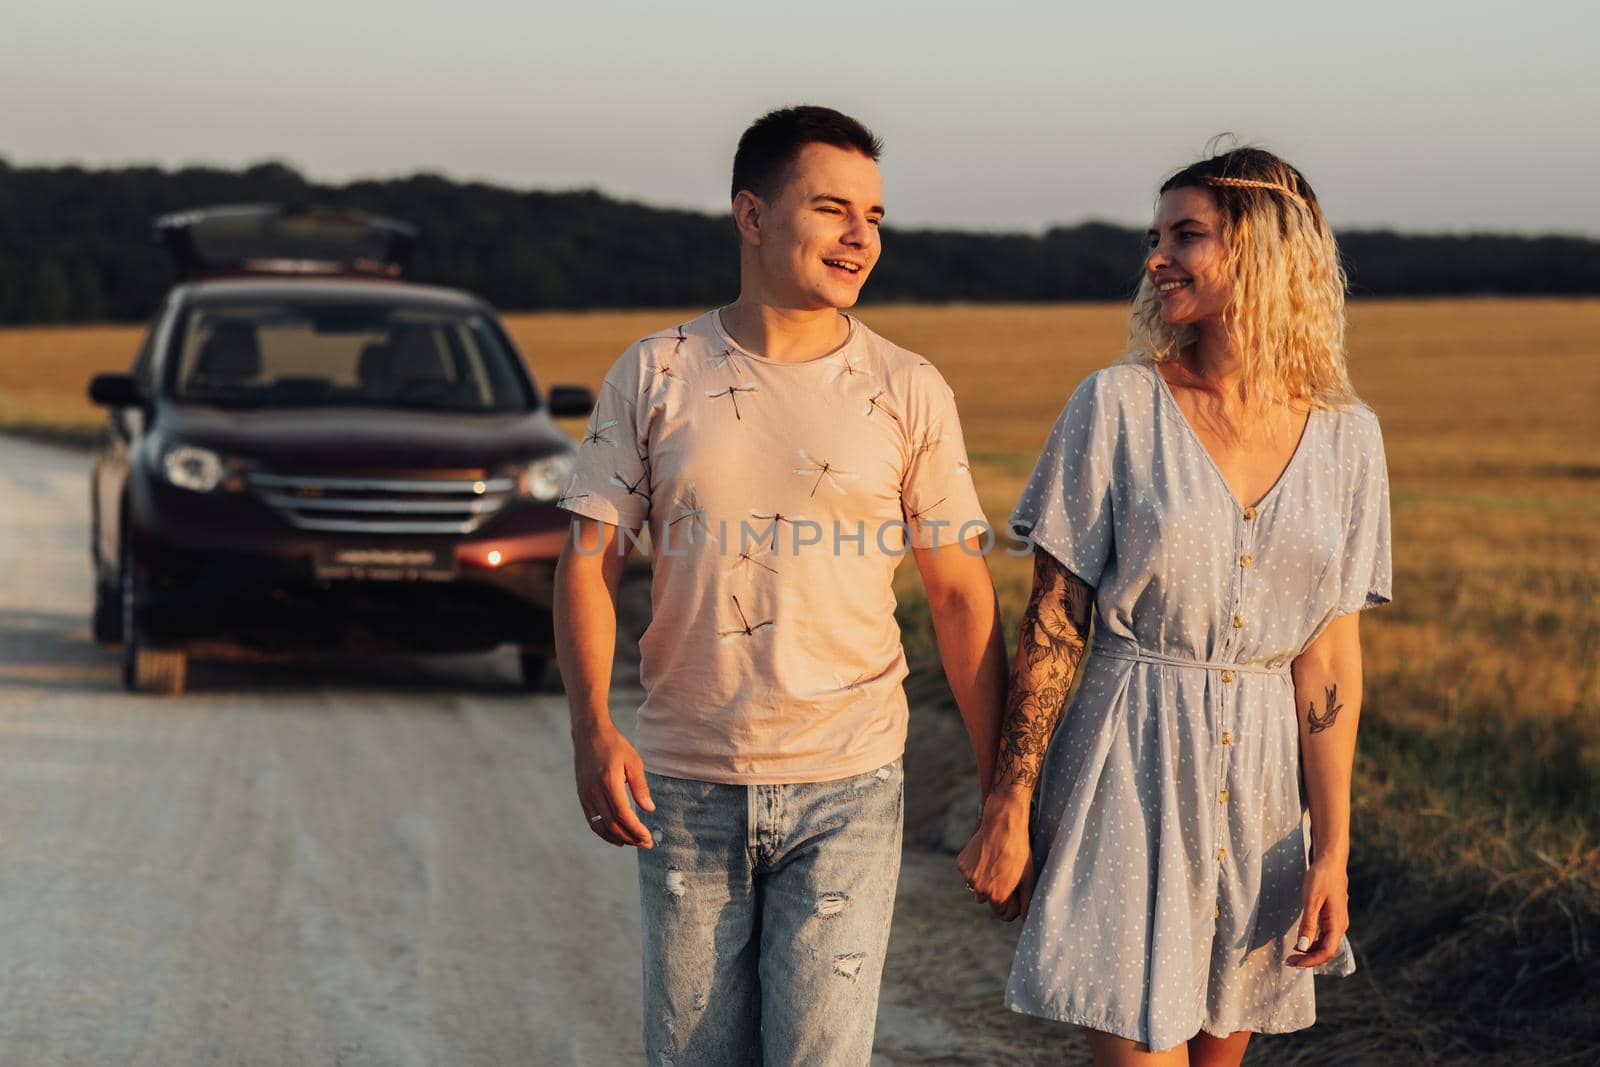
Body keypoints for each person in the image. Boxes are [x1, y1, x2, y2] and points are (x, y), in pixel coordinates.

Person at [554, 105, 1009, 1065]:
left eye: (876, 217)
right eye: (833, 208)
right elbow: (588, 562)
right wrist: (593, 727)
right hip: (687, 785)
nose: (861, 237)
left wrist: (1001, 783)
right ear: (752, 216)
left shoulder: (907, 386)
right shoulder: (657, 371)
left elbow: (962, 593)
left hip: (849, 781)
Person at [956, 145, 1392, 1066]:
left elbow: (1329, 659)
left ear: (1269, 251)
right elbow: (1055, 621)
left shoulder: (1350, 441)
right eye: (1154, 237)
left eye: (1186, 236)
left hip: (1266, 795)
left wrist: (1330, 850)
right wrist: (1010, 796)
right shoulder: (1114, 406)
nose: (1156, 258)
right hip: (1130, 762)